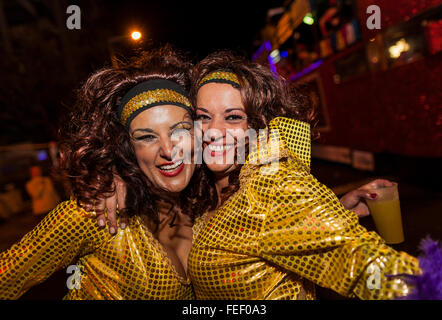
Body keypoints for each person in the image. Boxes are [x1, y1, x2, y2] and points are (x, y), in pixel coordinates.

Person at [93, 51, 420, 300]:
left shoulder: (270, 183)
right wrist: (118, 176)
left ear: (256, 126)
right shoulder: (203, 187)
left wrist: (431, 285)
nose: (213, 132)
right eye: (203, 117)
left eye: (233, 117)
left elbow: (364, 264)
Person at [0, 48, 213, 299]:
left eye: (180, 130)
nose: (168, 150)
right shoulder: (94, 214)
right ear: (128, 147)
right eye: (146, 137)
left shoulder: (208, 204)